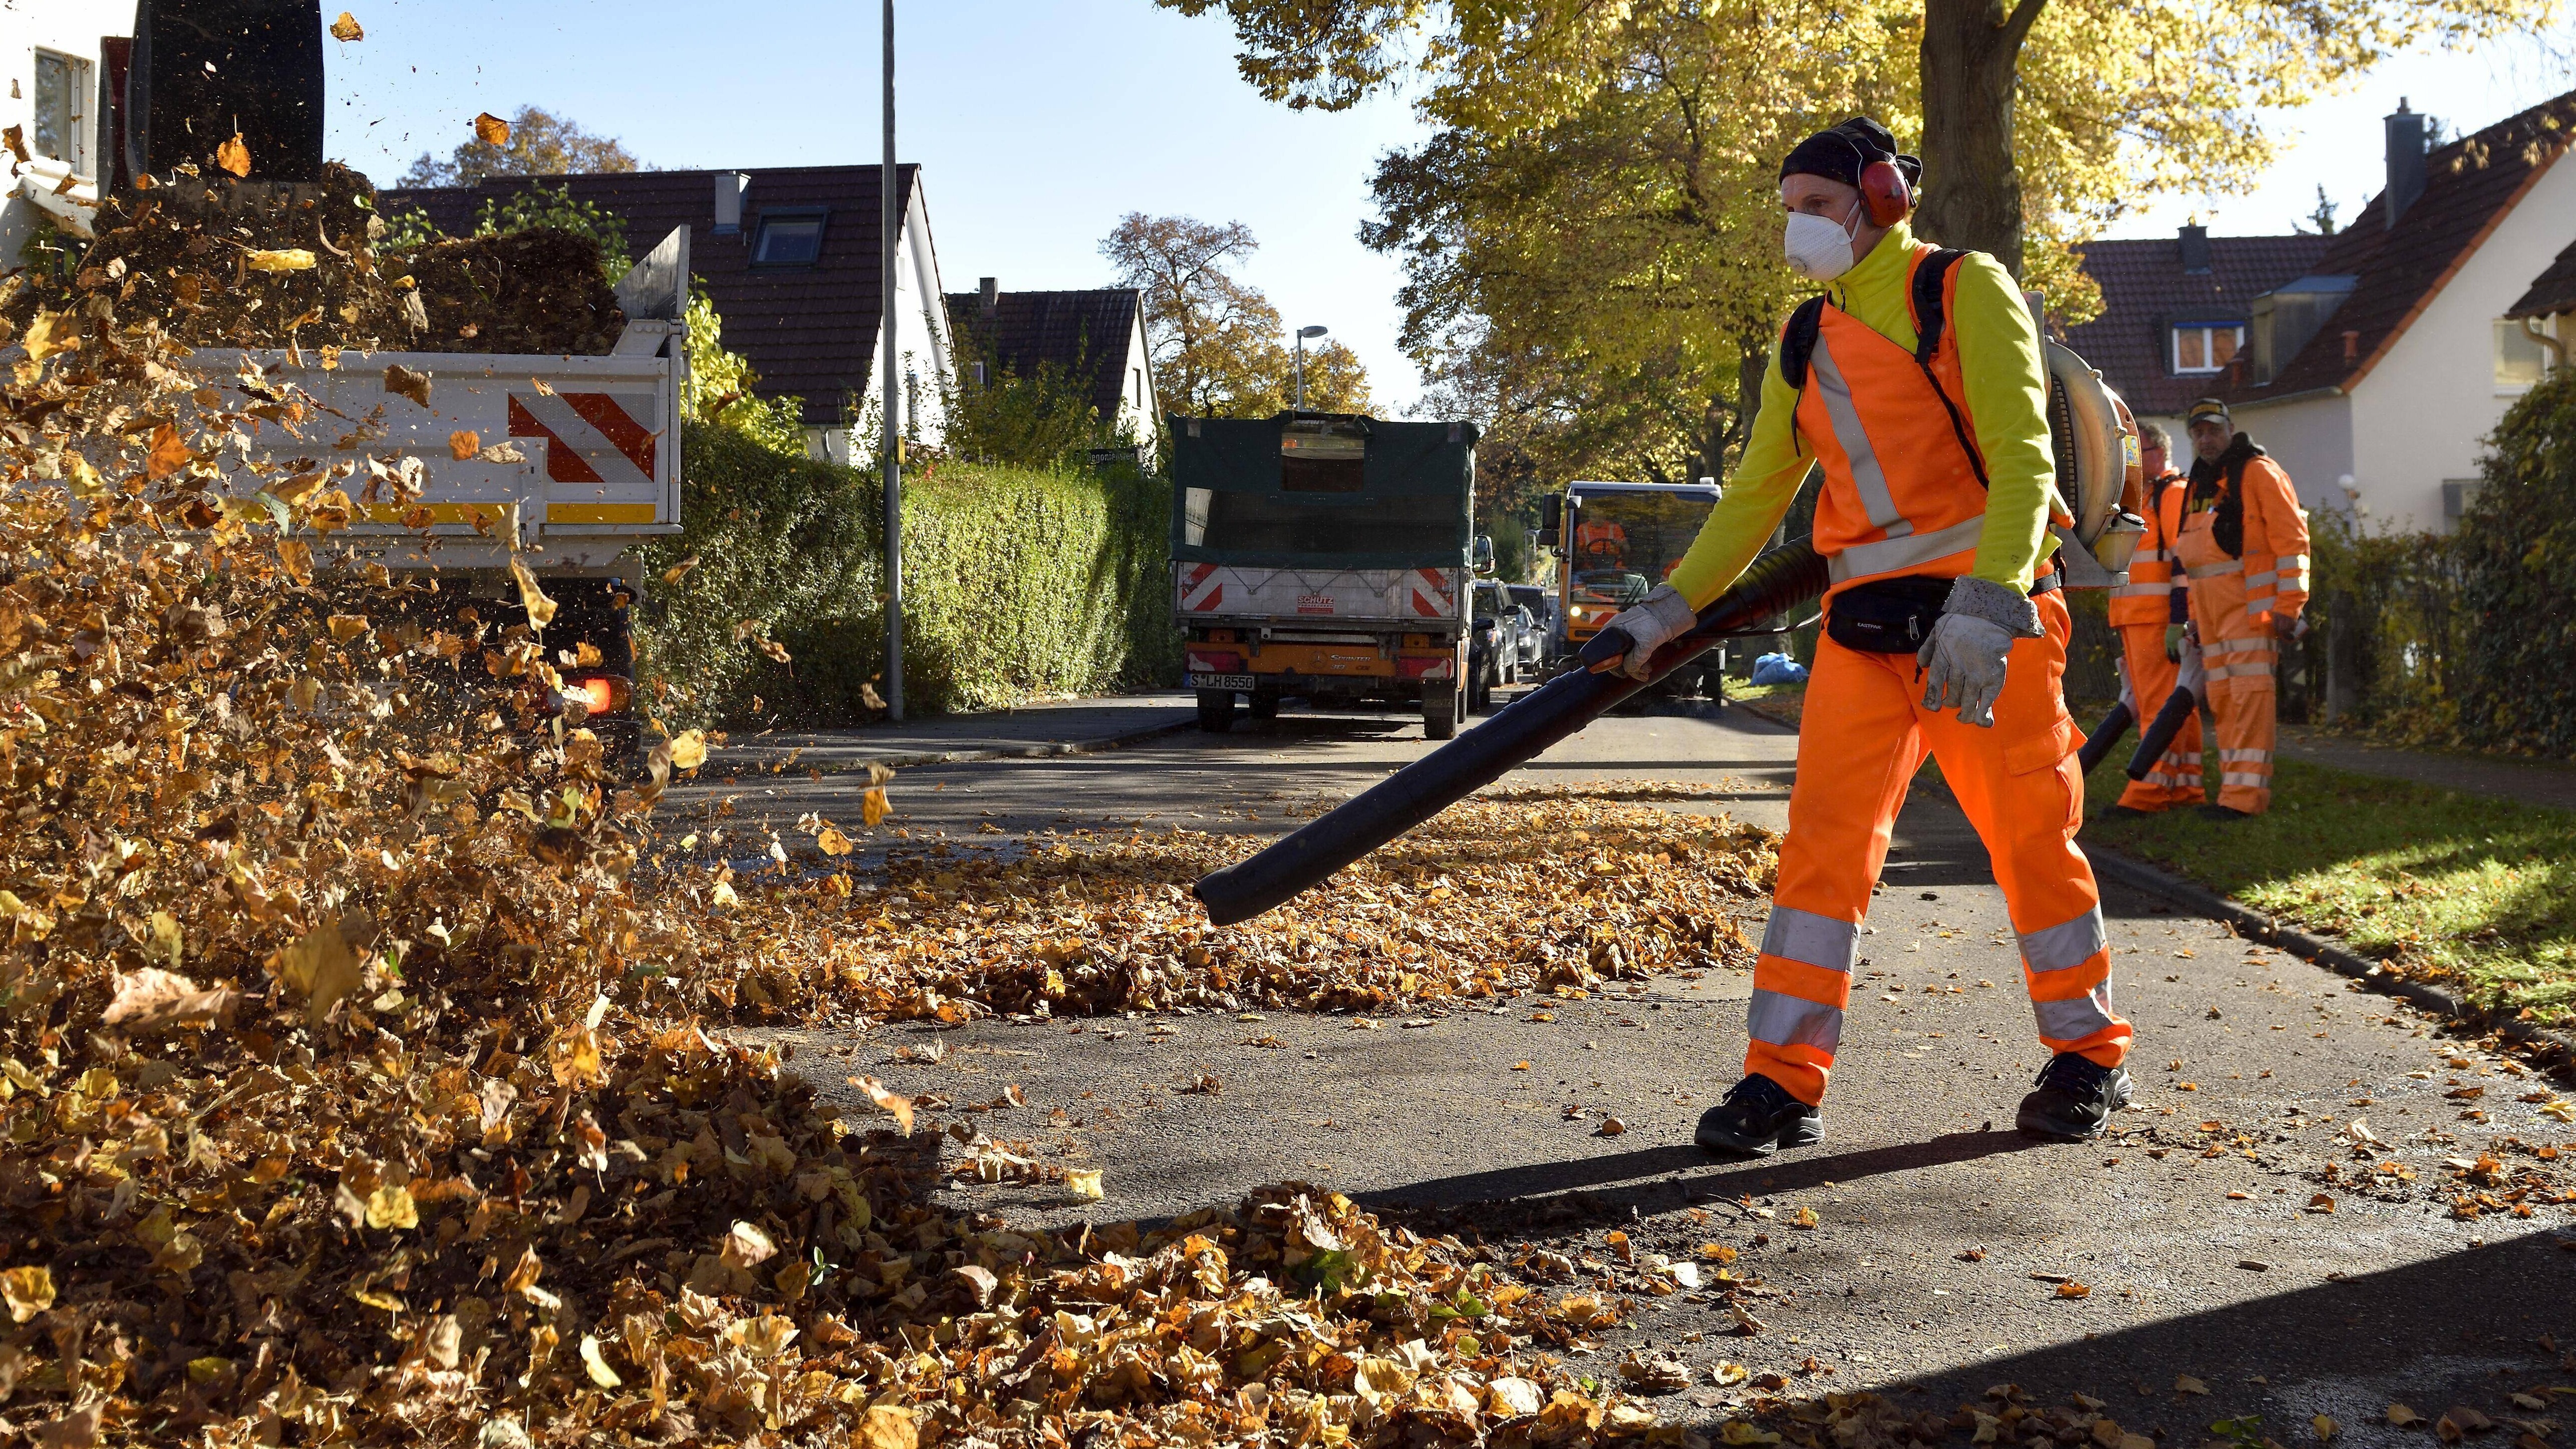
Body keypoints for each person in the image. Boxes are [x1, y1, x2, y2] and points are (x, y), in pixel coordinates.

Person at [1604, 117, 2133, 1154]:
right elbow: (1756, 493)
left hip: (1986, 620)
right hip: (1863, 631)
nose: (1797, 228)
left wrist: (1988, 604)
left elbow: (2028, 460)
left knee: (2030, 839)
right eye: (1788, 210)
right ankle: (1780, 1082)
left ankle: (2088, 1056)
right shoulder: (1803, 334)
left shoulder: (1962, 287)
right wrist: (1664, 610)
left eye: (1815, 205)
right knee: (1821, 857)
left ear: (1884, 197)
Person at [2173, 398, 2308, 818]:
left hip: (2251, 607)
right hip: (2214, 613)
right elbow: (2196, 561)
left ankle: (2244, 800)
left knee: (2248, 697)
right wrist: (2193, 615)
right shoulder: (2201, 484)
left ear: (2230, 429)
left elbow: (2293, 541)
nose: (2205, 439)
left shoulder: (2257, 473)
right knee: (2224, 699)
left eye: (2213, 430)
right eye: (2198, 432)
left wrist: (2290, 603)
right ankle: (2231, 793)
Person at [2100, 423, 2203, 815]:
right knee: (2174, 705)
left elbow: (2185, 557)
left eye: (2134, 452)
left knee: (2158, 704)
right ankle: (2184, 788)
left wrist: (2181, 617)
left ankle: (2147, 793)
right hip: (2137, 616)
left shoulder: (2171, 494)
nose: (2127, 462)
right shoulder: (2143, 498)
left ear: (2157, 453)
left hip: (2157, 619)